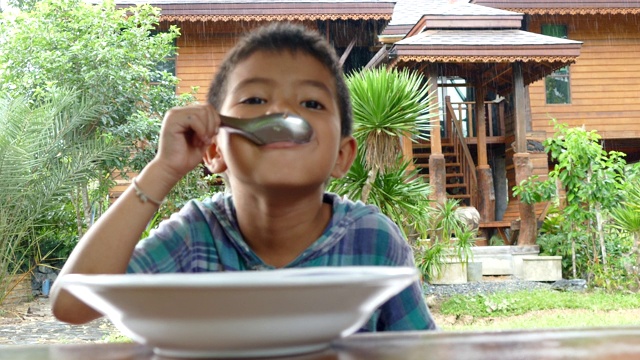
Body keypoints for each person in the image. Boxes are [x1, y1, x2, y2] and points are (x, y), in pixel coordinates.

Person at [50, 22, 436, 332]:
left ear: (341, 156)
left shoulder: (372, 238)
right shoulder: (195, 234)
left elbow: (420, 350)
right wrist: (162, 169)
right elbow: (70, 304)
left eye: (311, 103)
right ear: (215, 151)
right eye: (254, 100)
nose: (282, 111)